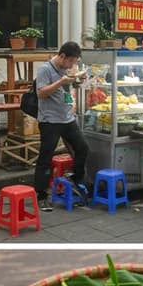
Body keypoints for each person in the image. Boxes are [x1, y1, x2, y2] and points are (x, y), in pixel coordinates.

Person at [32, 41, 89, 213]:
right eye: (71, 61)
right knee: (45, 157)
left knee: (82, 148)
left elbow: (67, 90)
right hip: (50, 120)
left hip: (67, 118)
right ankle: (41, 195)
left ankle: (74, 179)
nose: (72, 65)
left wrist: (77, 80)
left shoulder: (67, 69)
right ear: (62, 56)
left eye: (75, 62)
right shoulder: (45, 69)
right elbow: (41, 93)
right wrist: (61, 81)